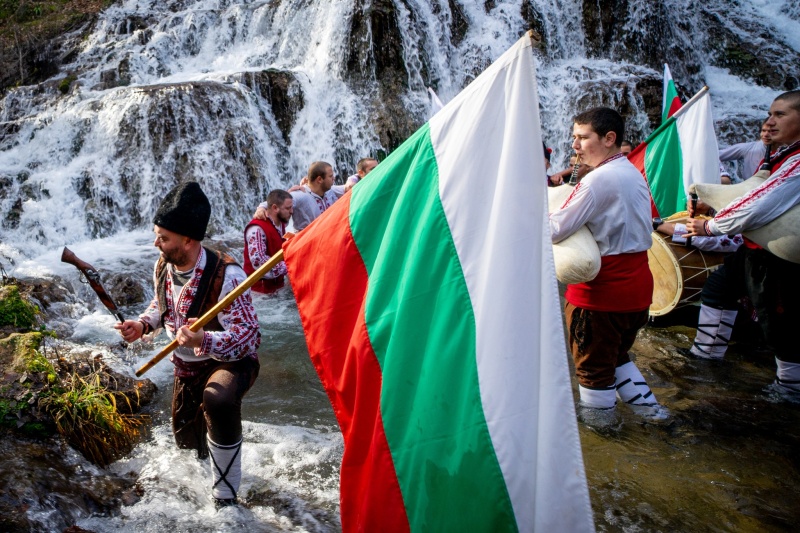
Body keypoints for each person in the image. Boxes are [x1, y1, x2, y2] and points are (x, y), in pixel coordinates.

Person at [114, 181, 261, 508]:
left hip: (230, 362)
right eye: (157, 235)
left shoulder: (228, 275)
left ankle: (226, 500)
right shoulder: (163, 265)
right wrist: (142, 324)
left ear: (189, 240)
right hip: (186, 367)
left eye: (163, 238)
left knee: (218, 400)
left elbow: (250, 336)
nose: (156, 243)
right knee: (188, 446)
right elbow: (161, 304)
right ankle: (202, 489)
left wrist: (204, 338)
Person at [549, 107, 667, 423]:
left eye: (582, 137)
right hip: (637, 292)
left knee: (592, 370)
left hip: (601, 296)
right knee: (615, 357)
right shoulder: (630, 171)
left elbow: (554, 228)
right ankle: (655, 416)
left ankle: (603, 431)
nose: (575, 145)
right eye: (574, 137)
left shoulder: (598, 181)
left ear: (609, 138)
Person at [682, 90, 800, 399]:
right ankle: (707, 354)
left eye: (780, 115)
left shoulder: (798, 161)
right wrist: (714, 205)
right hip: (754, 251)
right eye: (769, 114)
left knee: (779, 324)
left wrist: (710, 225)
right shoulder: (781, 154)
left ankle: (790, 389)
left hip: (776, 258)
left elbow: (758, 205)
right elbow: (750, 193)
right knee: (718, 289)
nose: (770, 122)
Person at [258, 161, 338, 231]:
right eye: (330, 176)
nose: (334, 178)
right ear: (319, 179)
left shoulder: (331, 190)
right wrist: (261, 208)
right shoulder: (301, 195)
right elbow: (276, 201)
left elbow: (348, 187)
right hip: (307, 243)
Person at [244, 189, 293, 294]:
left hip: (275, 289)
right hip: (259, 293)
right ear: (275, 208)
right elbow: (259, 262)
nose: (292, 211)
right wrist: (291, 265)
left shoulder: (280, 223)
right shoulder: (257, 229)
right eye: (288, 208)